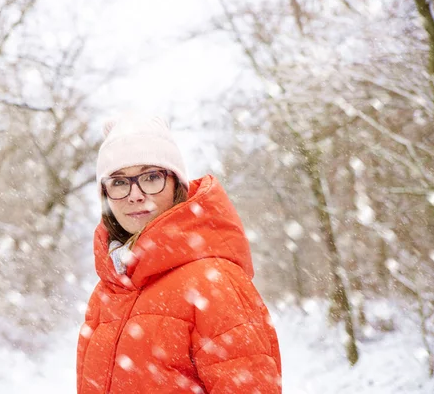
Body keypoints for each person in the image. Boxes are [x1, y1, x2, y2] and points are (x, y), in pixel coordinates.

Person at [76, 113, 282, 394]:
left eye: (150, 177)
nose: (135, 194)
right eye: (119, 182)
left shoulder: (215, 283)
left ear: (176, 185)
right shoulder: (107, 292)